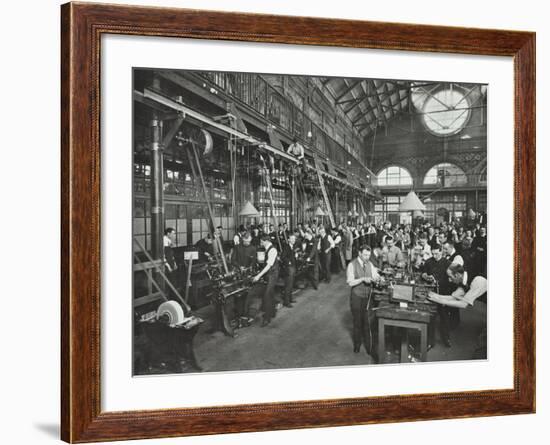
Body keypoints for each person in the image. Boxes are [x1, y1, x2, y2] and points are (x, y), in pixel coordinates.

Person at [346, 245, 380, 355]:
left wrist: (378, 278)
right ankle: (357, 345)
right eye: (365, 255)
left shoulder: (370, 264)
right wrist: (362, 279)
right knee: (357, 322)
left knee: (367, 322)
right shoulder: (352, 265)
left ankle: (368, 346)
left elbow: (375, 275)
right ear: (359, 253)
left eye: (369, 255)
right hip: (356, 296)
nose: (367, 257)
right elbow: (350, 282)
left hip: (368, 296)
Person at [422, 245, 452, 347]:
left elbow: (451, 279)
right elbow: (423, 272)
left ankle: (446, 338)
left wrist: (438, 281)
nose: (434, 256)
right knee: (431, 318)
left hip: (443, 293)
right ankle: (430, 342)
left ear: (441, 251)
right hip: (431, 292)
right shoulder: (428, 262)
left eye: (437, 253)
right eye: (433, 253)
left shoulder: (448, 263)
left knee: (444, 317)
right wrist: (425, 275)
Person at [252, 234, 280, 327]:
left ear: (266, 241)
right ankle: (272, 312)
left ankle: (267, 318)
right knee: (270, 294)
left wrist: (258, 276)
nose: (261, 243)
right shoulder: (267, 249)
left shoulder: (272, 250)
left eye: (261, 241)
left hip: (272, 275)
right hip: (269, 275)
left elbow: (268, 266)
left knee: (267, 295)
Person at [230, 232, 257, 325]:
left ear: (251, 240)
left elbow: (254, 262)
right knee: (238, 295)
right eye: (245, 241)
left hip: (247, 275)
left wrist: (249, 268)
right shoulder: (237, 247)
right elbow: (232, 260)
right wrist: (239, 267)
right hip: (238, 274)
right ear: (242, 240)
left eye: (248, 241)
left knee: (247, 296)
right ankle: (238, 315)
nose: (247, 243)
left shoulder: (253, 249)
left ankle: (245, 315)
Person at [280, 234, 298, 307]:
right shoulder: (286, 247)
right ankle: (286, 302)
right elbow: (282, 257)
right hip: (289, 268)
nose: (293, 240)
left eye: (294, 239)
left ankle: (290, 299)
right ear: (289, 240)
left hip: (293, 267)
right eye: (292, 239)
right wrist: (289, 262)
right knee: (288, 285)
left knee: (291, 284)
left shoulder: (293, 246)